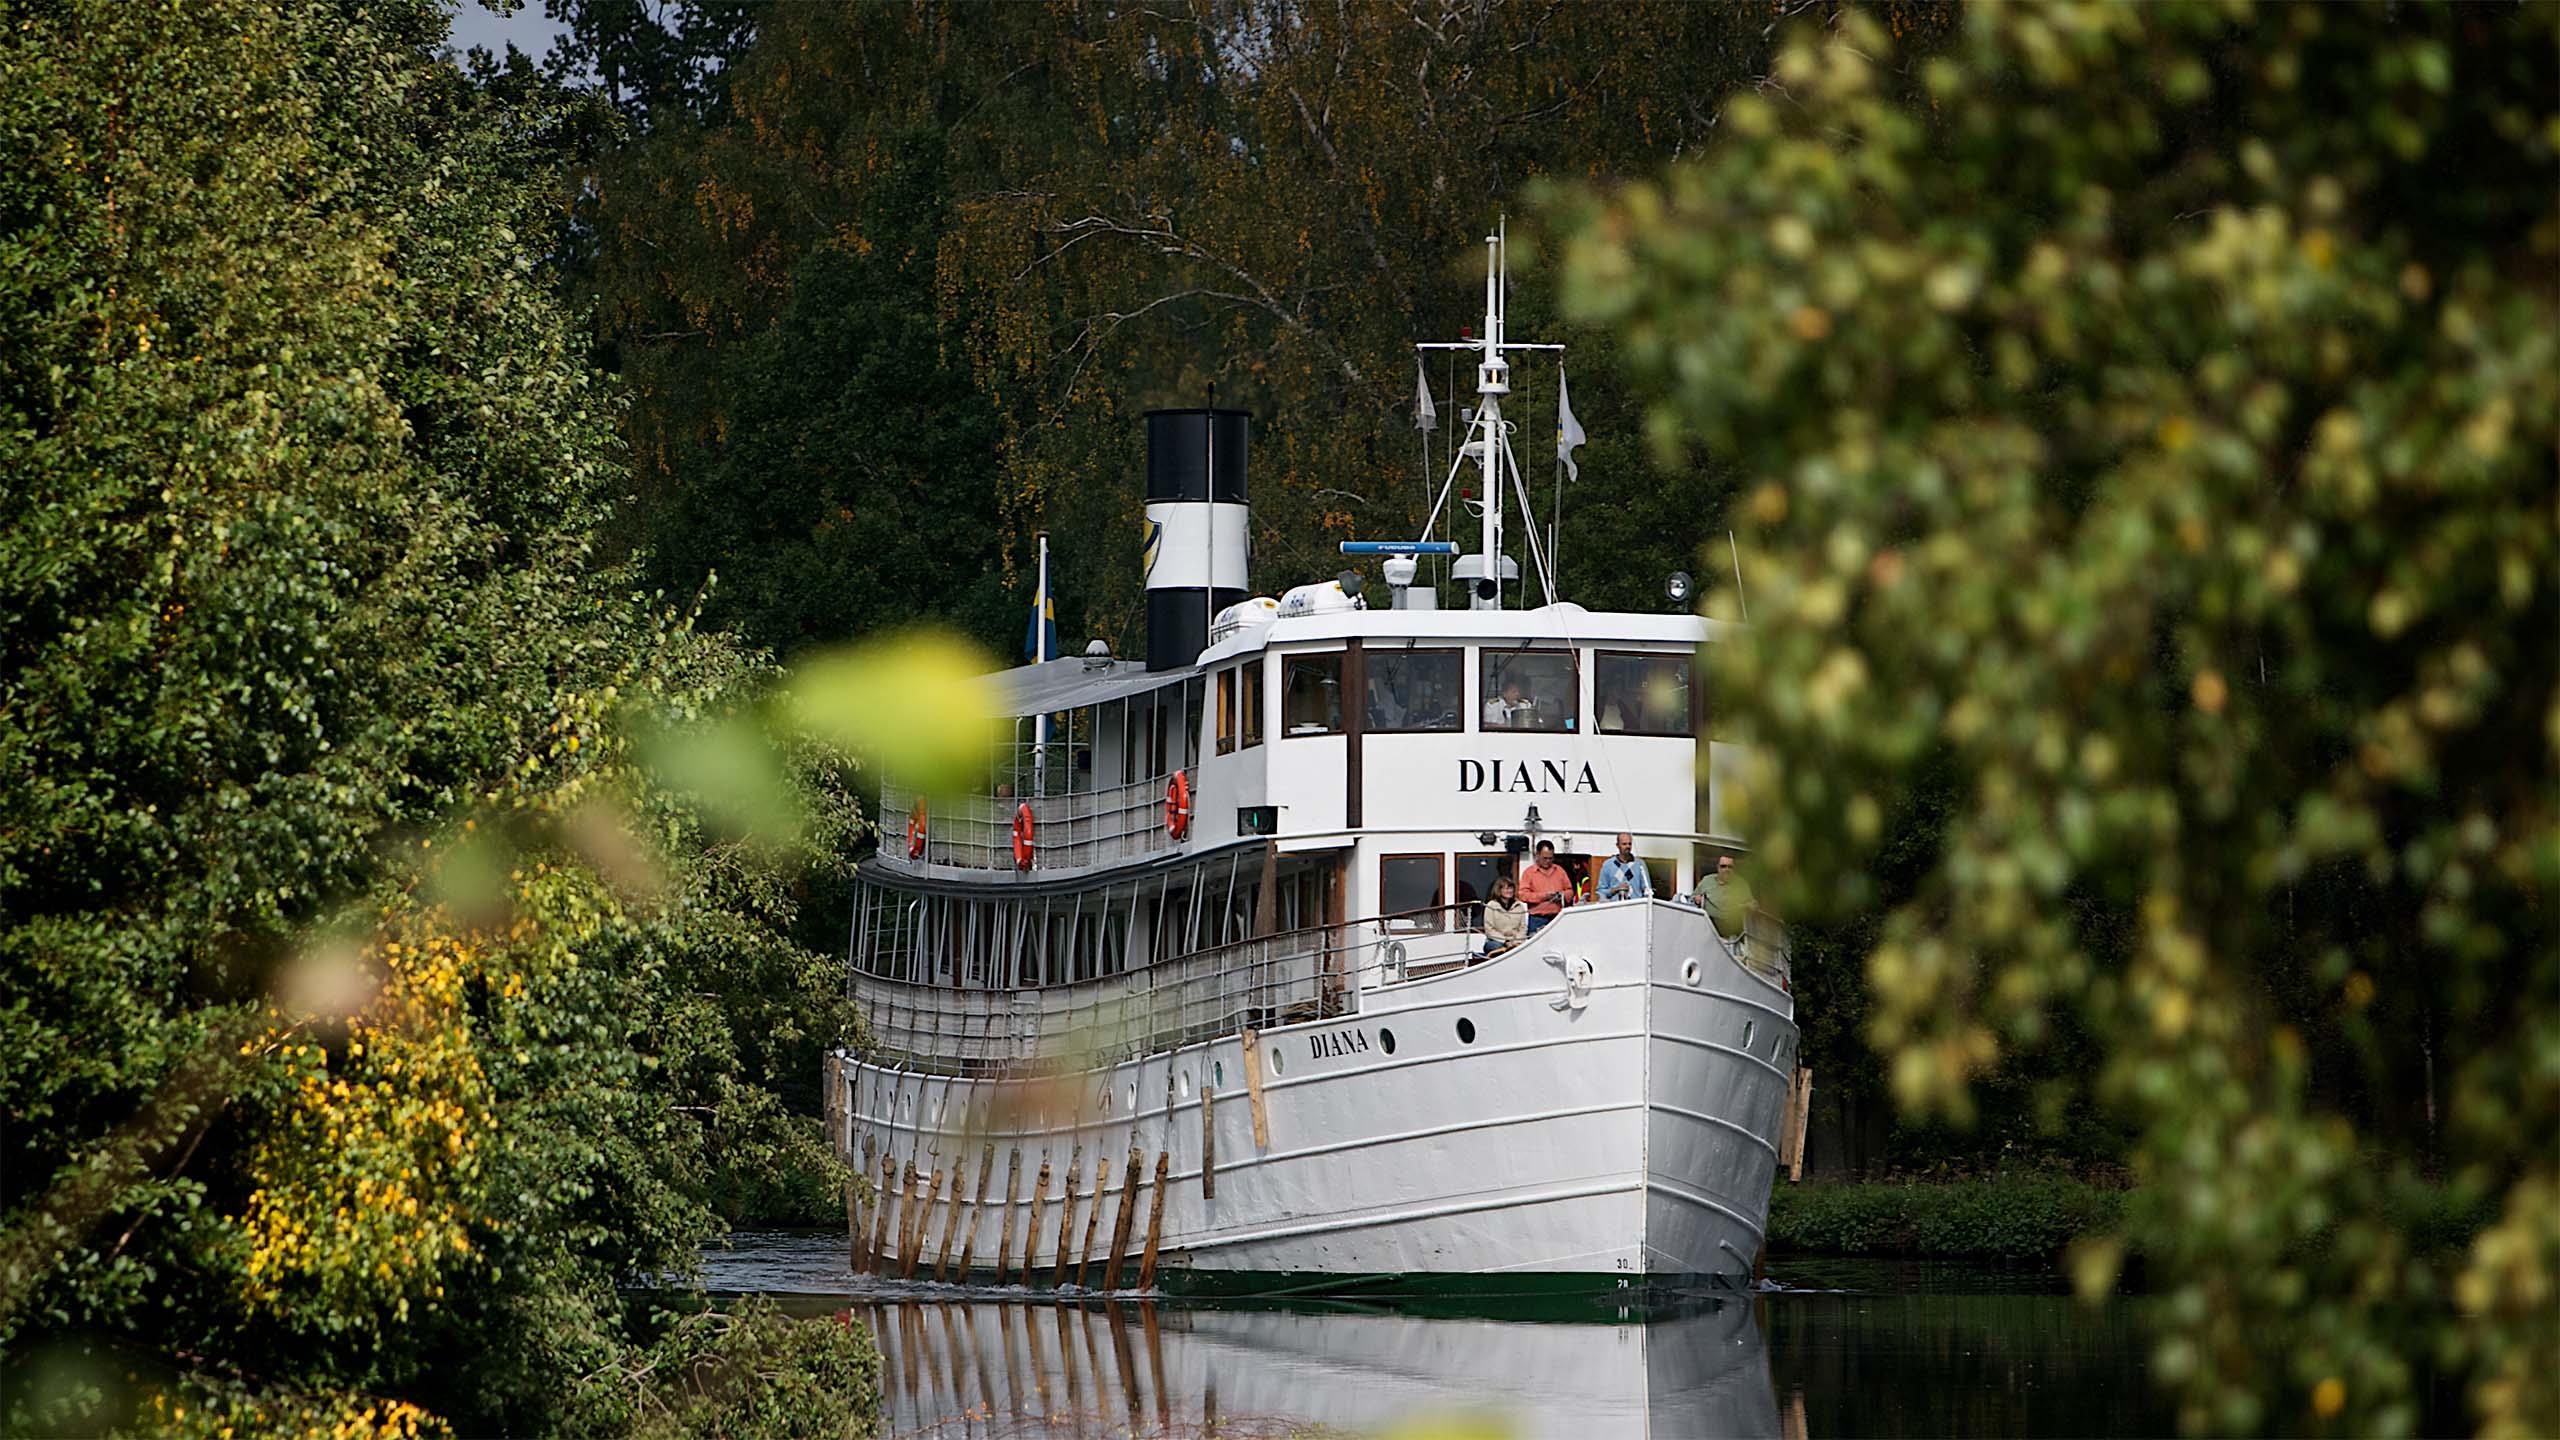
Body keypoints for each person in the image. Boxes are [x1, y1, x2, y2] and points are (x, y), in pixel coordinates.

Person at [1516, 840, 1575, 934]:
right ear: (1537, 855)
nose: (1548, 861)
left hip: (1557, 917)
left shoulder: (1560, 871)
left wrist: (1561, 895)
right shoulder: (1529, 873)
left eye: (1550, 858)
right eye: (1545, 858)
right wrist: (1545, 896)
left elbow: (1570, 891)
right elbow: (1523, 895)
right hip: (1537, 919)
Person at [1697, 852, 1755, 941]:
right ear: (1718, 868)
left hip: (1734, 933)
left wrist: (1748, 906)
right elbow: (1693, 898)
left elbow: (1753, 904)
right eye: (1723, 866)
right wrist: (1697, 898)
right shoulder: (1706, 881)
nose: (1726, 869)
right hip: (1709, 929)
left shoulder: (1741, 884)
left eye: (1729, 867)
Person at [1478, 874, 1528, 957]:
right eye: (1506, 888)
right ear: (1499, 890)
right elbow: (1489, 929)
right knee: (1498, 947)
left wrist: (1516, 942)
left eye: (1511, 888)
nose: (1509, 891)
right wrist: (1505, 941)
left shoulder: (1519, 906)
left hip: (1515, 942)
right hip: (1496, 942)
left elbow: (1523, 927)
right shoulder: (1491, 906)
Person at [1598, 832, 1652, 901]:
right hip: (1614, 907)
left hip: (1636, 907)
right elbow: (1601, 891)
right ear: (1617, 845)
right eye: (1624, 844)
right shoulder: (1608, 865)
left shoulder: (1640, 864)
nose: (1628, 846)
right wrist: (1616, 889)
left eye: (1629, 844)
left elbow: (1647, 890)